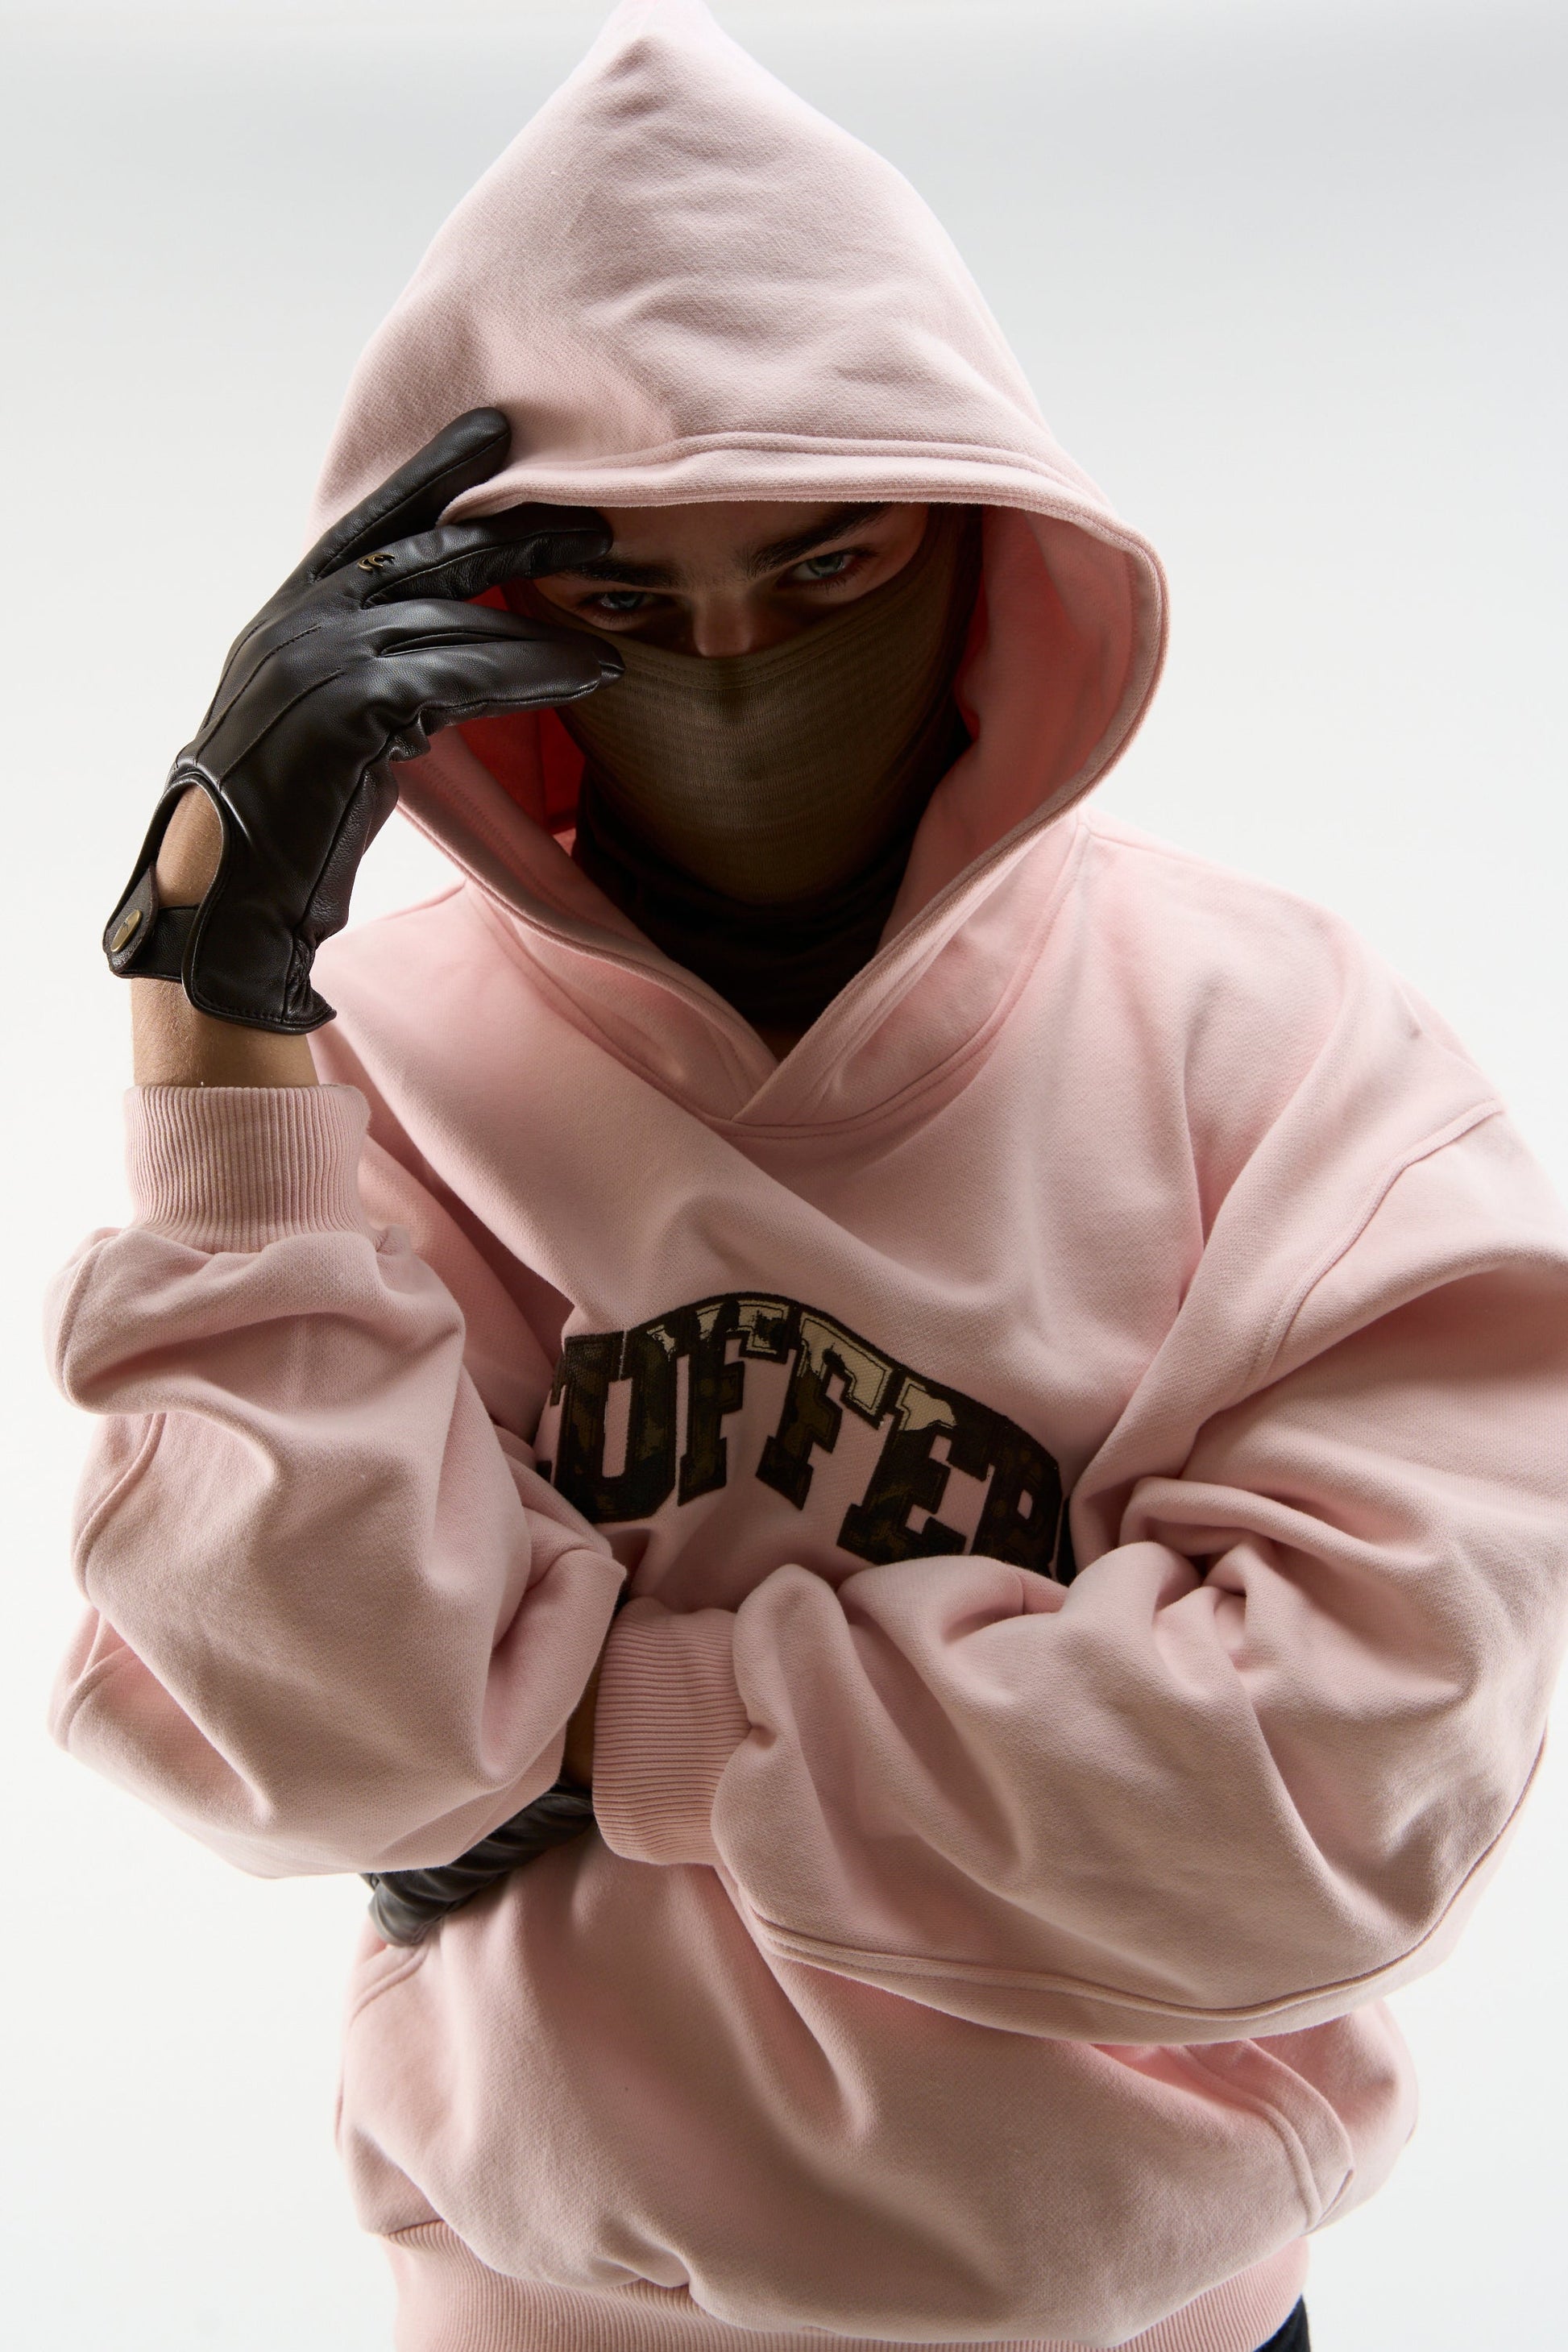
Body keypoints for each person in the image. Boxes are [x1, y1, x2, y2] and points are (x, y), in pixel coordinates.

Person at [50, 5, 1568, 2350]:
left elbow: (1334, 1785)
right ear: (480, 625)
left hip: (1141, 2315)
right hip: (538, 2301)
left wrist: (605, 1714)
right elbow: (309, 1740)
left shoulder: (1277, 1054)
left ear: (975, 553)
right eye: (630, 609)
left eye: (824, 565)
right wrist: (209, 1003)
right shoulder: (375, 1078)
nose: (741, 679)